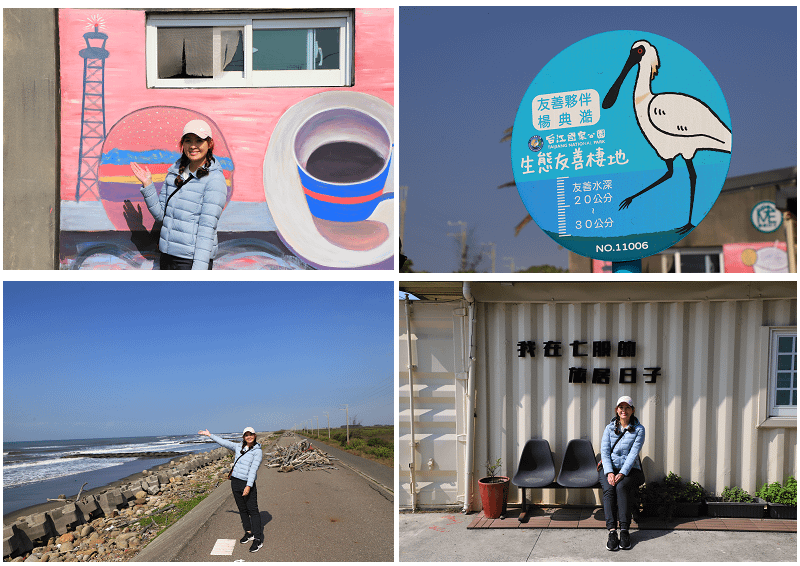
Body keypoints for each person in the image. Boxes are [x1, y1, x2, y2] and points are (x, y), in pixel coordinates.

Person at [131, 119, 227, 269]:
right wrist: (148, 185)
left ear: (209, 144)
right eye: (188, 141)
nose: (193, 146)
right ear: (182, 145)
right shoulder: (175, 172)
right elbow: (161, 215)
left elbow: (206, 230)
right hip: (167, 257)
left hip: (190, 262)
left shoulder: (214, 179)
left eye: (199, 140)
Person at [199, 427, 264, 552]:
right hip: (235, 482)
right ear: (243, 437)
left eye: (251, 435)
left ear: (255, 436)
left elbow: (253, 470)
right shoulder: (238, 447)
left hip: (247, 483)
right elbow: (224, 442)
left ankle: (258, 539)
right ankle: (249, 533)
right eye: (246, 435)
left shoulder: (257, 451)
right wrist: (210, 435)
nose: (249, 437)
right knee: (242, 509)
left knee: (253, 510)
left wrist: (248, 486)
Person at [599, 396, 645, 551]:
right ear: (616, 410)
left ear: (632, 410)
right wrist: (610, 472)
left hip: (631, 470)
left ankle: (624, 530)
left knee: (621, 487)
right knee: (609, 489)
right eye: (621, 407)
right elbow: (604, 453)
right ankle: (612, 532)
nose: (624, 410)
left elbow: (633, 454)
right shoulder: (609, 428)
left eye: (627, 407)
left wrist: (623, 473)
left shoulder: (639, 429)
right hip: (609, 468)